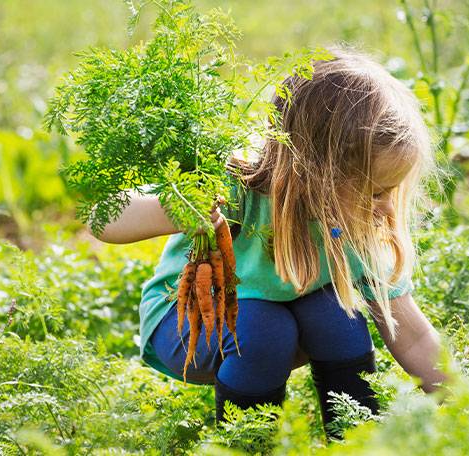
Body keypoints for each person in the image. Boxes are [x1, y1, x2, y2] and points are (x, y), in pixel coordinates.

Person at [89, 46, 449, 440]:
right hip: (188, 326)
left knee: (338, 314)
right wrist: (174, 209)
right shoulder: (238, 185)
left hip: (272, 328)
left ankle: (356, 442)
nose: (384, 208)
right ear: (317, 173)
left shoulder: (355, 227)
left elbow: (412, 335)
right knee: (265, 325)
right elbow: (102, 218)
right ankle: (246, 445)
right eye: (375, 191)